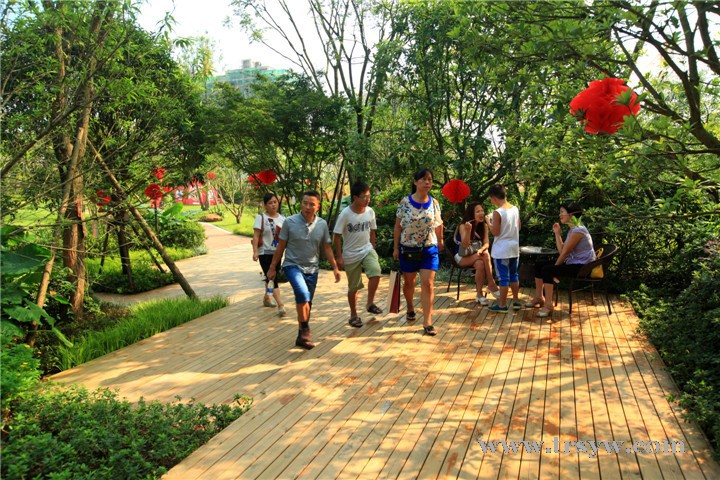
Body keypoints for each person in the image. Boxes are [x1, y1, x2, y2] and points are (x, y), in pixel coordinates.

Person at [267, 190, 341, 350]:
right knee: (302, 293)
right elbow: (281, 246)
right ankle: (306, 328)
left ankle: (301, 336)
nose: (307, 207)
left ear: (318, 206)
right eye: (305, 203)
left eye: (311, 204)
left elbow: (327, 247)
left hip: (312, 268)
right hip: (292, 265)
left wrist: (335, 267)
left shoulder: (322, 224)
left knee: (307, 302)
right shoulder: (290, 222)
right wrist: (273, 267)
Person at [393, 168, 444, 336]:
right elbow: (398, 226)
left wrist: (440, 240)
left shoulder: (434, 203)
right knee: (409, 283)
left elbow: (439, 223)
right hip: (408, 249)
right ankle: (410, 307)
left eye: (430, 179)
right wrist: (395, 248)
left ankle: (428, 321)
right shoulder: (405, 203)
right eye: (423, 179)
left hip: (429, 248)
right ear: (415, 182)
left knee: (428, 284)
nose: (427, 182)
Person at [526, 202, 596, 317]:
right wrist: (557, 234)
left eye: (562, 212)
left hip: (582, 267)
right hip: (572, 262)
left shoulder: (578, 230)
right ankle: (539, 297)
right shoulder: (573, 229)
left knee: (548, 270)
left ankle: (548, 305)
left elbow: (564, 254)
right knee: (540, 264)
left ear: (571, 215)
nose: (560, 215)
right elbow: (562, 251)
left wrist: (555, 269)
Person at [333, 181, 383, 328]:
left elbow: (372, 231)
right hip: (350, 254)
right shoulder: (345, 214)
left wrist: (373, 248)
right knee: (353, 287)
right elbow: (336, 236)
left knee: (376, 272)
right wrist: (339, 256)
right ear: (355, 197)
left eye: (369, 196)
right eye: (364, 197)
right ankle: (354, 315)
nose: (368, 199)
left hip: (367, 250)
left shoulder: (370, 211)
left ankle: (370, 303)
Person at [453, 202, 500, 305]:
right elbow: (465, 245)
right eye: (478, 211)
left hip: (476, 255)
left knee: (480, 263)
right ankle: (491, 283)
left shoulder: (484, 226)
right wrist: (468, 230)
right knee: (486, 255)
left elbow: (486, 243)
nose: (481, 213)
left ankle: (479, 295)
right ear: (471, 214)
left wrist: (481, 250)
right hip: (461, 256)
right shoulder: (463, 226)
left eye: (482, 211)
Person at [486, 184, 522, 311]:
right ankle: (516, 300)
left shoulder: (498, 212)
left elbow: (495, 232)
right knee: (514, 275)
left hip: (501, 250)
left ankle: (502, 304)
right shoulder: (515, 209)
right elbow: (519, 227)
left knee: (503, 278)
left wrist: (488, 222)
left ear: (494, 198)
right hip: (514, 248)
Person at [251, 193, 287, 317]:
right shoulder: (261, 218)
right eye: (270, 203)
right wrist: (255, 251)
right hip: (264, 252)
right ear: (265, 205)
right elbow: (256, 236)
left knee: (270, 277)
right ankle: (280, 305)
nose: (273, 205)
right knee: (272, 278)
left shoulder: (282, 219)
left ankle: (267, 298)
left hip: (277, 253)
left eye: (275, 202)